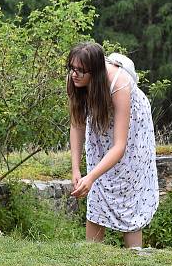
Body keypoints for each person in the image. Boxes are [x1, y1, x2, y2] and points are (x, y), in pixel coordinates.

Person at [67, 42, 159, 248]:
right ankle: (92, 254)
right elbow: (77, 123)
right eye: (72, 68)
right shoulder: (76, 77)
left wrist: (90, 177)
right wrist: (76, 169)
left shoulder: (119, 83)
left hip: (131, 129)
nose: (75, 74)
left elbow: (120, 146)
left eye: (81, 70)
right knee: (98, 184)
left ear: (96, 71)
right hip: (101, 122)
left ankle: (135, 257)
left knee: (128, 184)